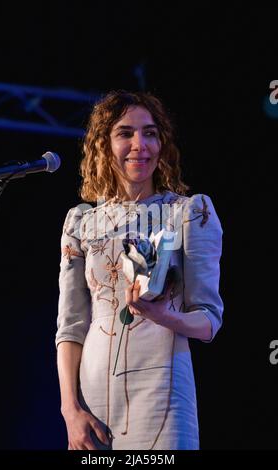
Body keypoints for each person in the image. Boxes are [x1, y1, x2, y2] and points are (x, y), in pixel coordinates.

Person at [56, 90, 224, 450]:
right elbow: (70, 326)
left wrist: (164, 316)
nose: (140, 145)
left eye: (150, 133)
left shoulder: (191, 213)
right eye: (125, 133)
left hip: (162, 392)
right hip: (93, 395)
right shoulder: (81, 221)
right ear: (104, 144)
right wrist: (70, 410)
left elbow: (209, 321)